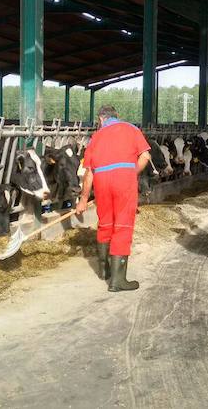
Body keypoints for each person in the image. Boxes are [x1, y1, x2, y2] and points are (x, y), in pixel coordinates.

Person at [75, 105, 152, 291]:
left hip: (101, 181)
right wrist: (131, 172)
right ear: (117, 116)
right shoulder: (131, 129)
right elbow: (145, 156)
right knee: (123, 226)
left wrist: (84, 199)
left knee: (105, 223)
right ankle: (118, 281)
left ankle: (104, 271)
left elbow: (89, 173)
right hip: (123, 180)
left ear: (101, 119)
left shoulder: (95, 138)